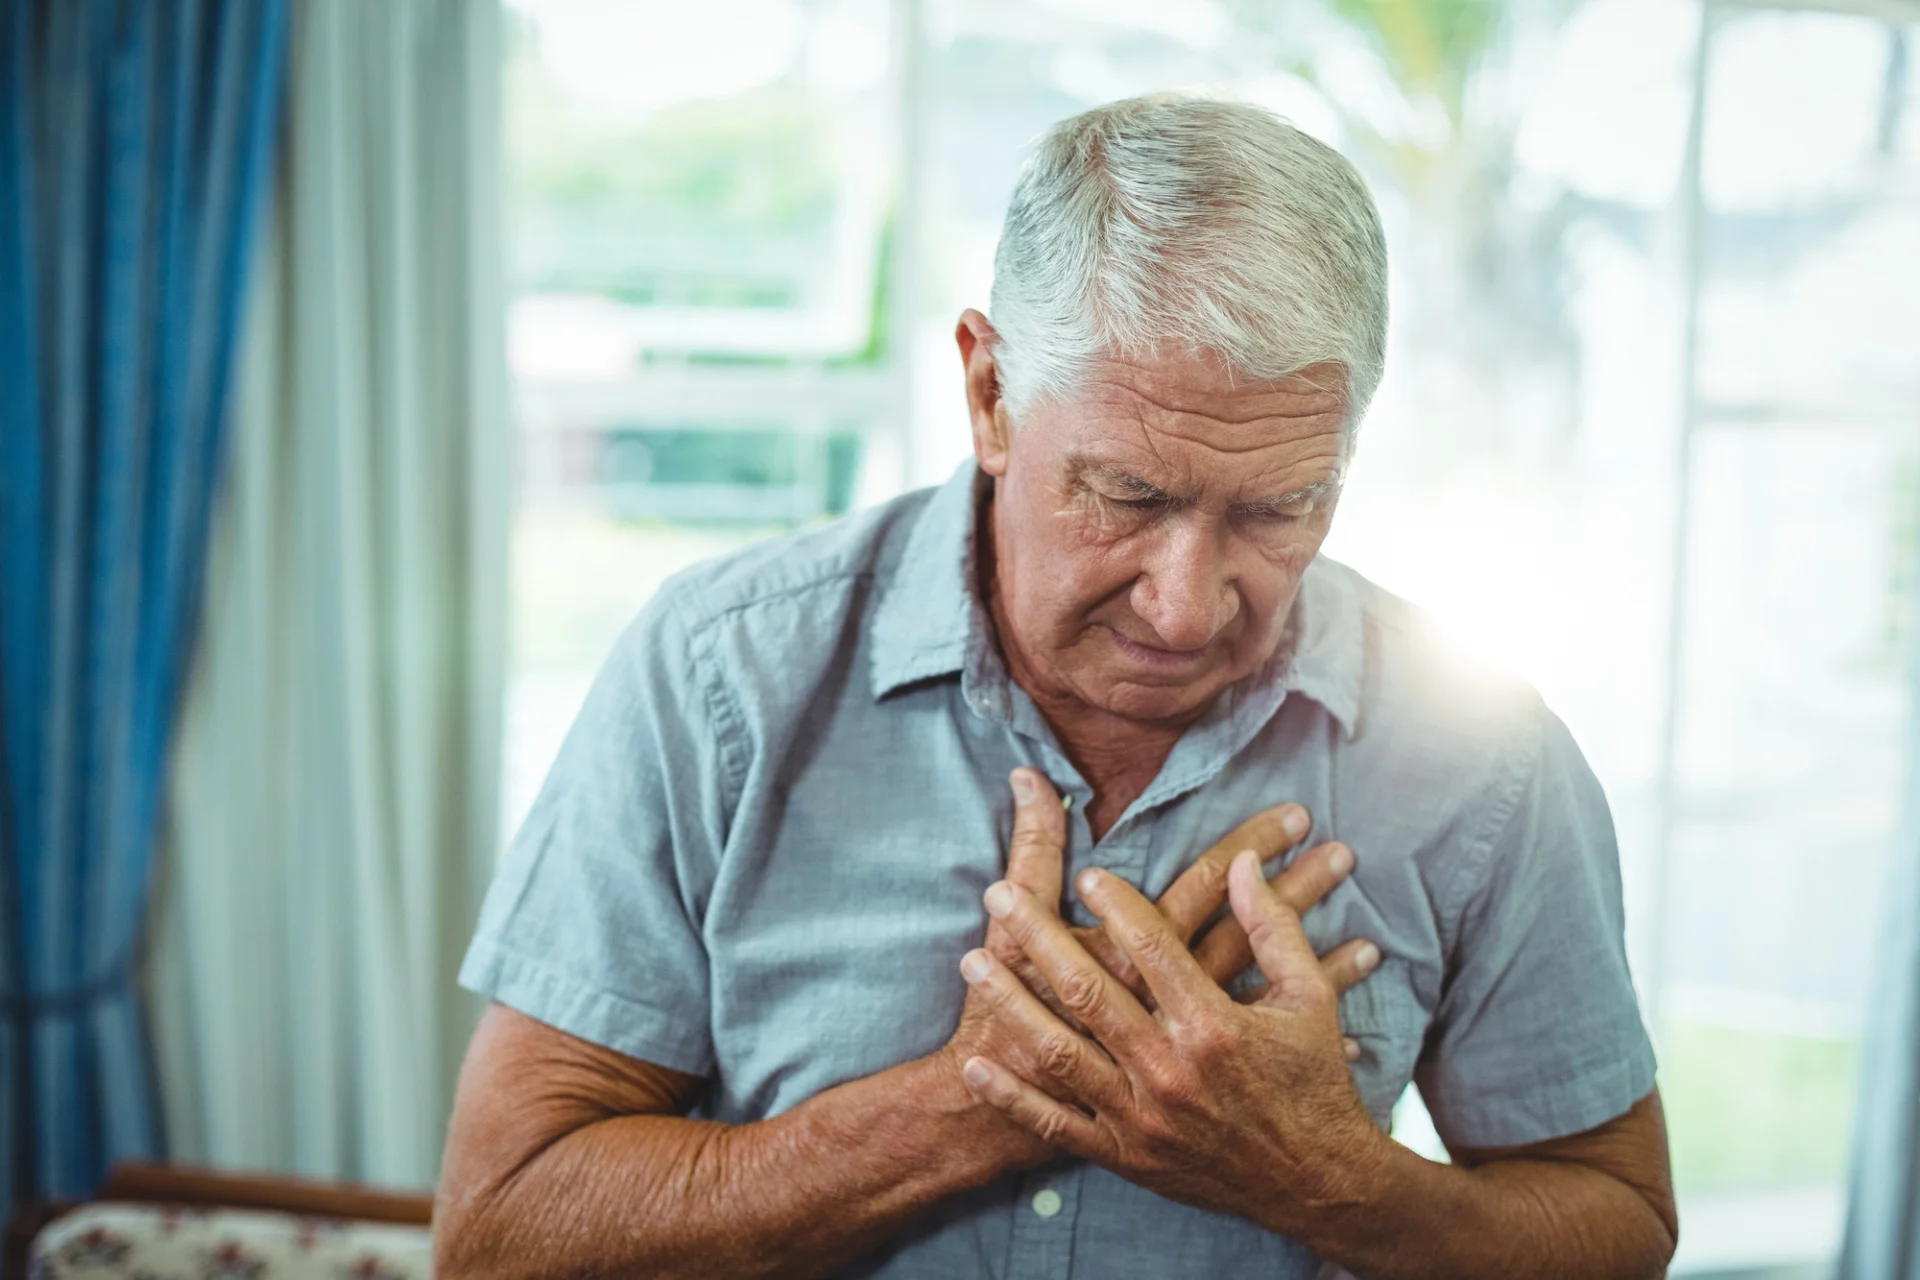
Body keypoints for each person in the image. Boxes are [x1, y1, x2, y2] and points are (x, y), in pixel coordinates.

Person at [435, 94, 1676, 1279]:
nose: (1187, 605)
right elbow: (501, 1237)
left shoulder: (1488, 758)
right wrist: (973, 1100)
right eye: (1126, 495)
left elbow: (1619, 1226)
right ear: (989, 392)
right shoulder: (721, 674)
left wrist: (1323, 1175)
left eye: (1280, 505)